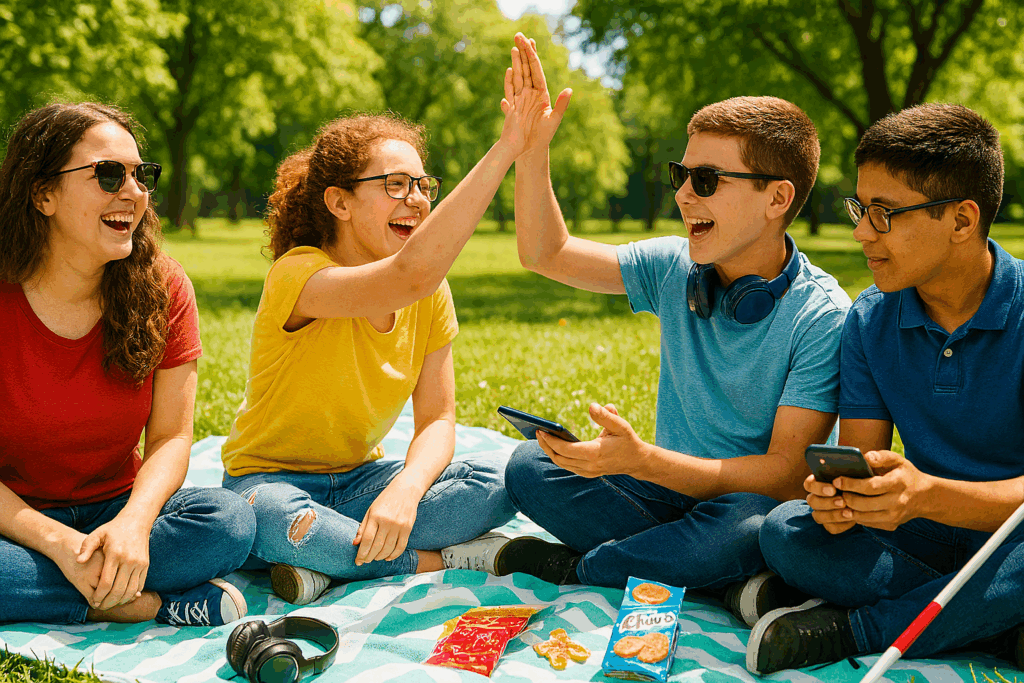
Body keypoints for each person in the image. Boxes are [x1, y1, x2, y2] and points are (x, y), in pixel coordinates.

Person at [468, 35, 851, 622]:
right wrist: (532, 151)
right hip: (660, 495)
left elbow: (786, 472)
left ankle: (580, 568)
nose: (681, 194)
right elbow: (547, 253)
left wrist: (641, 460)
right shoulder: (676, 266)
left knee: (756, 526)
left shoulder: (821, 314)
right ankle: (697, 576)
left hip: (738, 506)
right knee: (528, 467)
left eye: (705, 180)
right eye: (682, 173)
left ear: (777, 198)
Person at [219, 63, 551, 605]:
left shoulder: (431, 293)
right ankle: (437, 559)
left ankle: (329, 564)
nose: (417, 199)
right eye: (395, 185)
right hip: (270, 484)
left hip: (361, 485)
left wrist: (405, 491)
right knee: (269, 520)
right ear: (339, 202)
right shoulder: (299, 274)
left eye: (422, 185)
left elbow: (439, 419)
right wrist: (507, 148)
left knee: (507, 474)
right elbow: (406, 277)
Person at [748, 103, 1024, 675]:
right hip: (923, 537)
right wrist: (843, 502)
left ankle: (860, 627)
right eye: (860, 208)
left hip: (1013, 539)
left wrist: (927, 496)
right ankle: (992, 621)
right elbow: (862, 462)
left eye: (884, 213)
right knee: (784, 533)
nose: (860, 232)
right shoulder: (870, 320)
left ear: (962, 220)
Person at [0, 103, 256, 627]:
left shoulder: (164, 287)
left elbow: (170, 439)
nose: (134, 192)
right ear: (42, 193)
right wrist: (60, 544)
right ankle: (139, 603)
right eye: (109, 174)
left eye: (143, 175)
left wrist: (135, 525)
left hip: (118, 509)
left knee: (230, 521)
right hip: (13, 521)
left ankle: (81, 589)